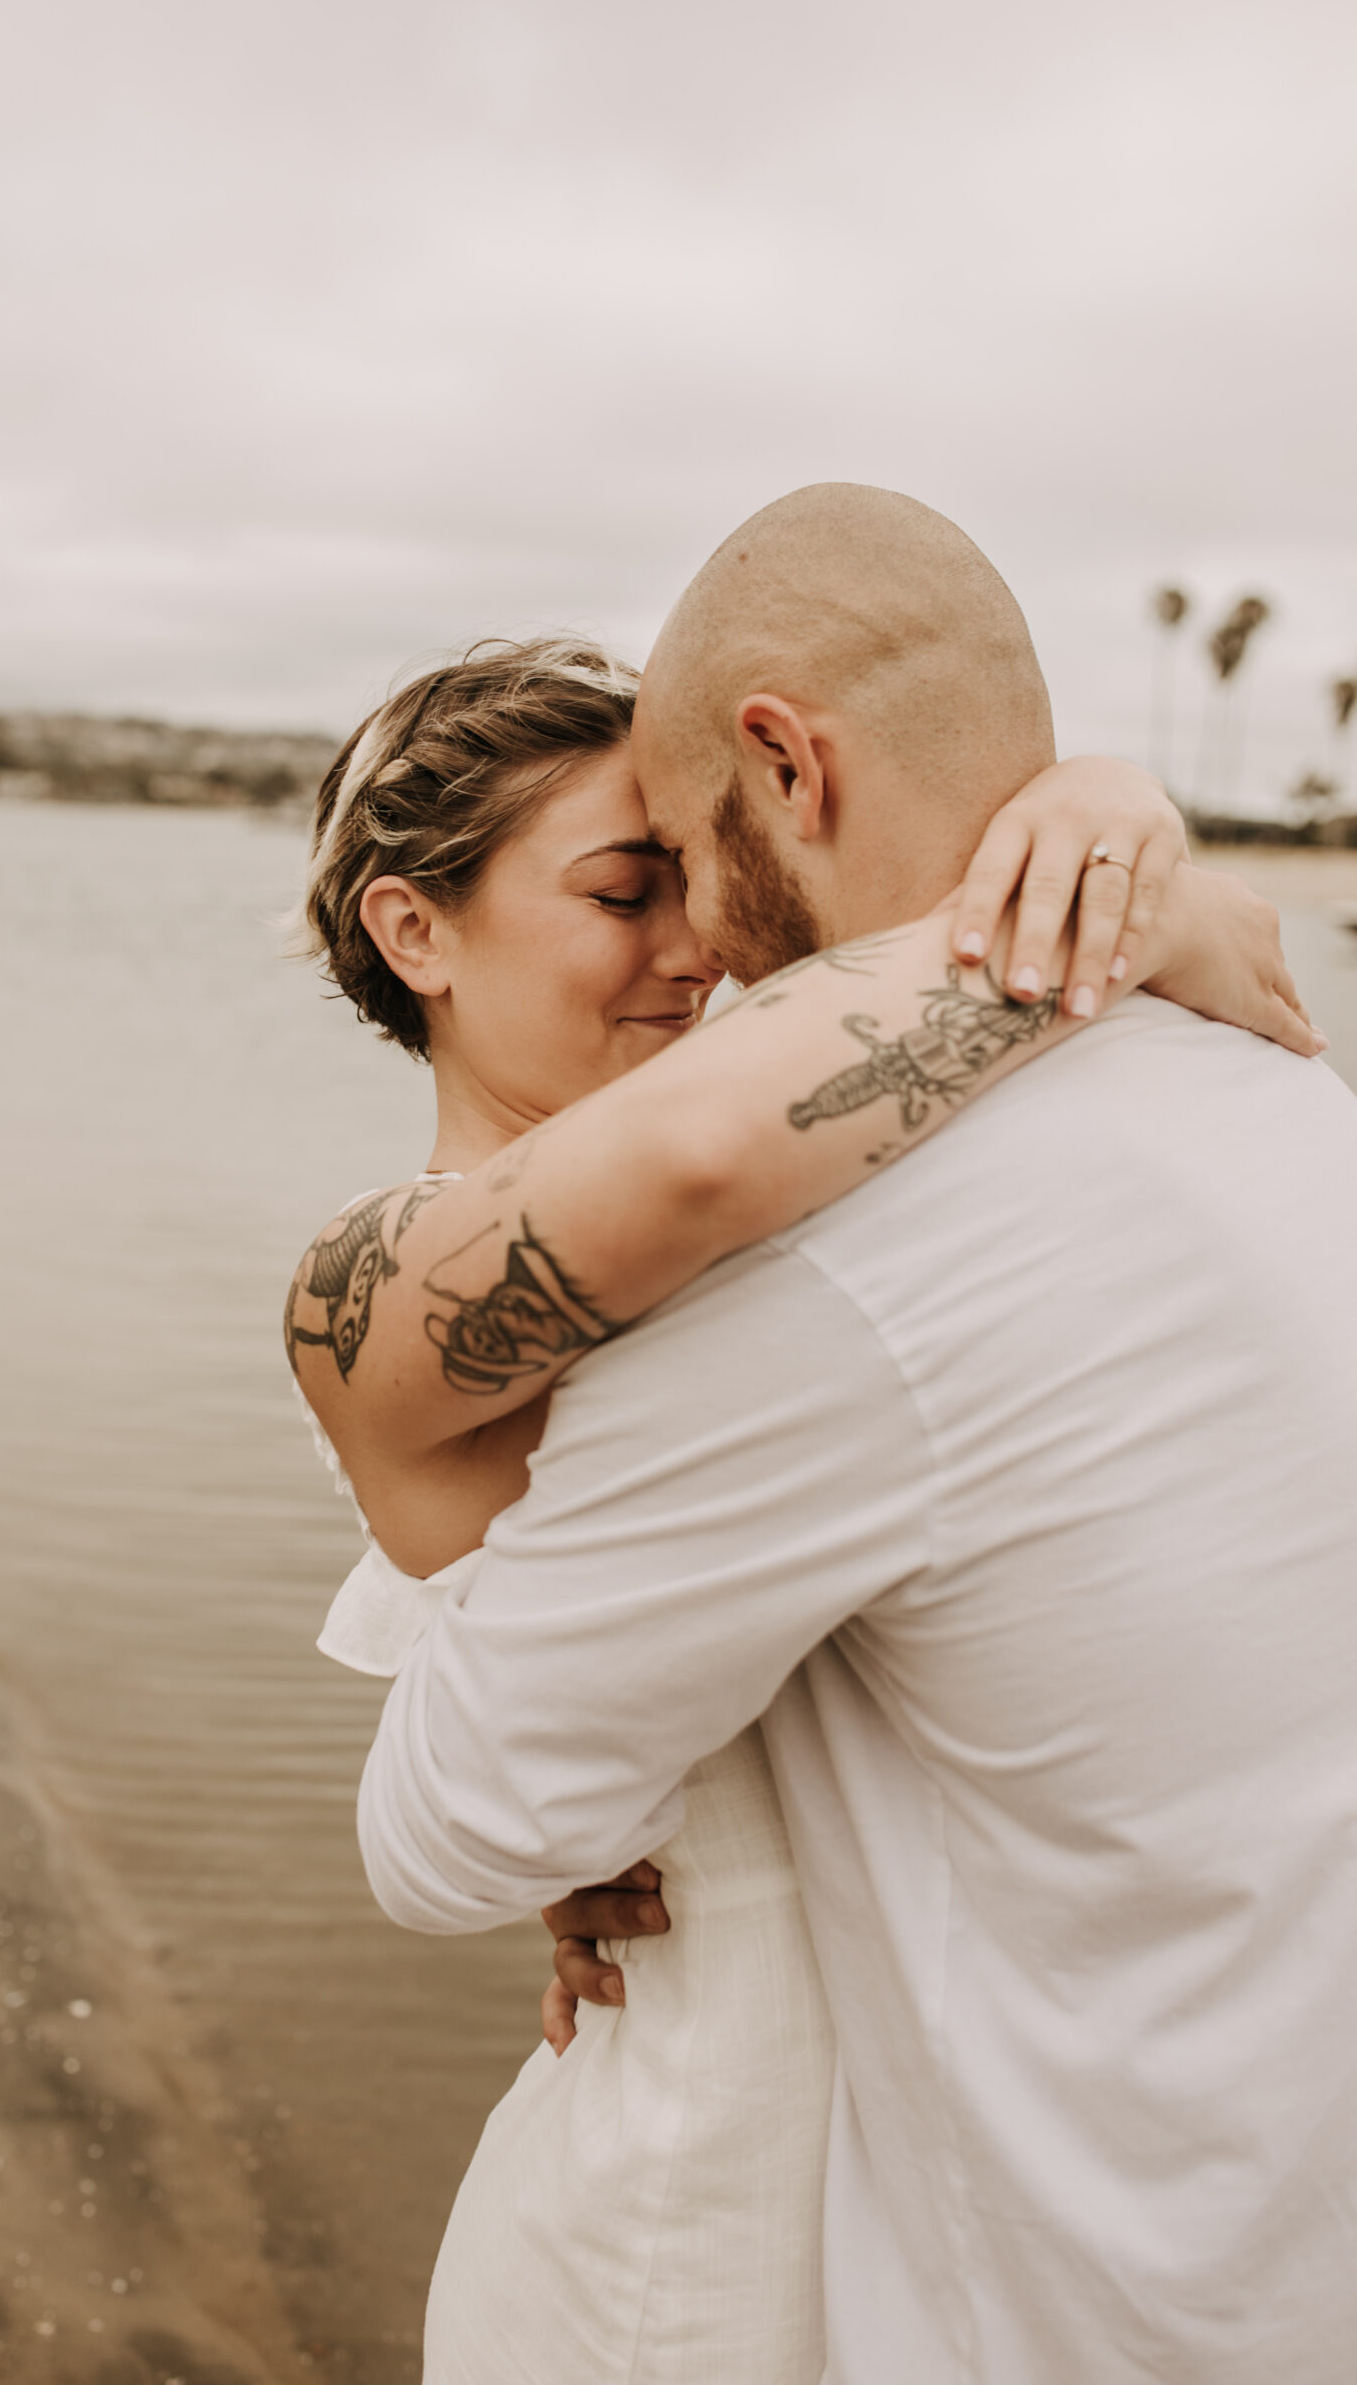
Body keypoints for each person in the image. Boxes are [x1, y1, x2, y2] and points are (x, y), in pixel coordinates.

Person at [351, 488, 1357, 2385]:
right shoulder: (1290, 1092)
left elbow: (446, 1829)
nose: (704, 960)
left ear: (782, 765)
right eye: (616, 892)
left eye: (678, 868)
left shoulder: (817, 1272)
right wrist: (1133, 882)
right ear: (416, 933)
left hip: (1051, 2286)